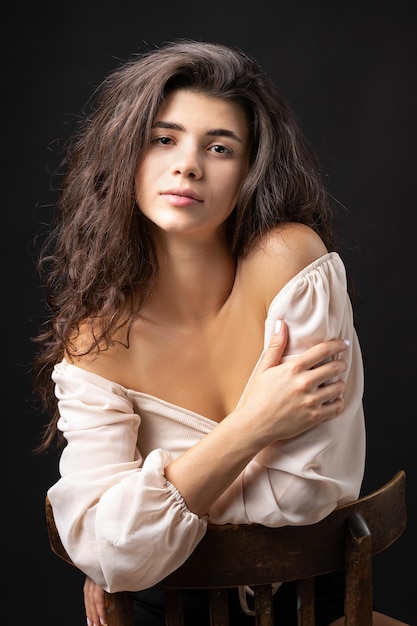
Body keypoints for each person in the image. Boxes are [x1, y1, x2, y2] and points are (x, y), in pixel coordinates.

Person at [32, 39, 408, 626]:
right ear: (126, 153)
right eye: (164, 139)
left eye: (220, 147)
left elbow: (304, 495)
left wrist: (137, 520)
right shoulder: (97, 338)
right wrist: (258, 422)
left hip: (314, 609)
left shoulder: (290, 262)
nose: (188, 164)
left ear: (249, 171)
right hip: (165, 612)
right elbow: (112, 556)